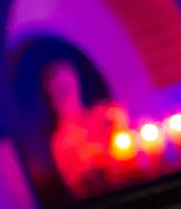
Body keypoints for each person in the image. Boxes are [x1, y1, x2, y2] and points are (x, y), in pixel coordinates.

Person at [44, 61, 129, 199]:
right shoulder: (61, 141)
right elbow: (78, 186)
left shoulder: (103, 114)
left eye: (69, 84)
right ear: (52, 95)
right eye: (60, 88)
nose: (67, 93)